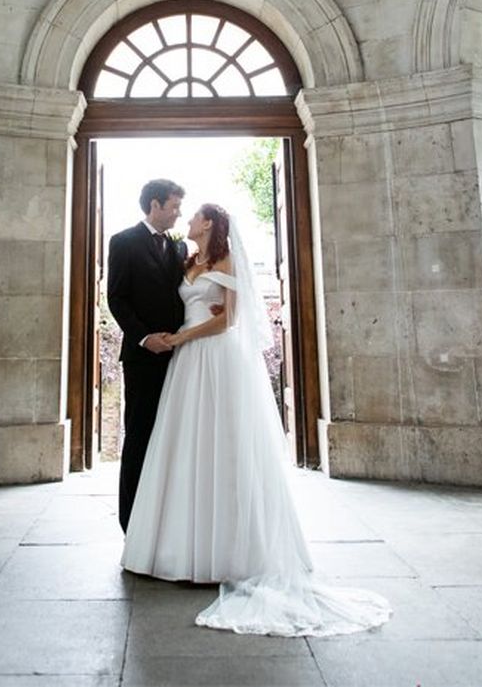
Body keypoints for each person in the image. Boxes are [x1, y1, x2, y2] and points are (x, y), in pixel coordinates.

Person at [121, 202, 392, 638]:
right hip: (186, 363)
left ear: (209, 223)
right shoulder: (188, 260)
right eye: (180, 212)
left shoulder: (227, 260)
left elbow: (230, 316)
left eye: (193, 216)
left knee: (225, 445)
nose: (186, 220)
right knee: (187, 445)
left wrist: (183, 336)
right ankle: (181, 548)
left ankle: (231, 550)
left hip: (214, 356)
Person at [107, 178, 186, 532]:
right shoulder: (123, 242)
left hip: (181, 358)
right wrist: (143, 338)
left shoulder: (178, 247)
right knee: (139, 435)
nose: (178, 213)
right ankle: (132, 523)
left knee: (173, 438)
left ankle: (166, 521)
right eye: (173, 206)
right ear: (154, 205)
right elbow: (117, 298)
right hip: (142, 360)